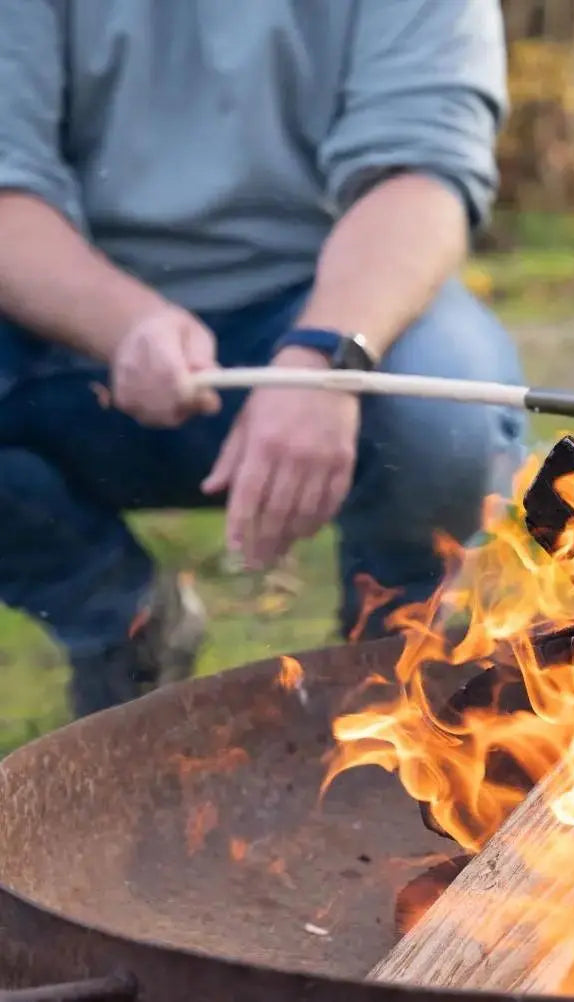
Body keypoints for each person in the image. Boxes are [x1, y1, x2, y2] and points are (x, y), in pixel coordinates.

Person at [0, 1, 526, 718]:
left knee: (451, 418)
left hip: (334, 299)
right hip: (69, 328)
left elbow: (422, 174)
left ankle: (396, 670)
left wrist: (325, 355)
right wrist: (126, 324)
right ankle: (118, 619)